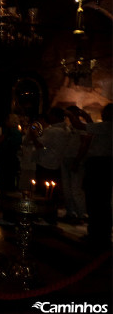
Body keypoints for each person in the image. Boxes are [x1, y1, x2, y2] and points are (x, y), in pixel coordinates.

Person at [67, 103, 112, 249]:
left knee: (95, 200)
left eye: (104, 112)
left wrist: (70, 114)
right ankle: (99, 234)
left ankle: (97, 236)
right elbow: (96, 130)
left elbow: (79, 126)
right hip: (105, 165)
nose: (103, 114)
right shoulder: (106, 128)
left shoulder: (107, 126)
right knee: (101, 201)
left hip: (99, 165)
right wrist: (88, 117)